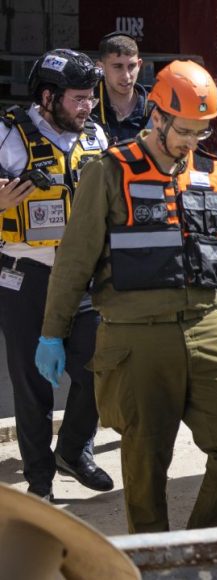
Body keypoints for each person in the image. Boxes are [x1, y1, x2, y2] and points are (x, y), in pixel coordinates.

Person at [38, 60, 217, 533]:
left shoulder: (211, 175)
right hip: (136, 338)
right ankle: (152, 560)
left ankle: (198, 548)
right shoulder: (108, 173)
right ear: (156, 116)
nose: (192, 143)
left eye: (201, 133)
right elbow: (73, 263)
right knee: (146, 462)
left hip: (207, 330)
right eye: (185, 132)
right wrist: (53, 333)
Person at [1, 48, 112, 501]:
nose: (87, 107)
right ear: (48, 97)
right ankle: (39, 482)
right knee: (31, 388)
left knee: (102, 369)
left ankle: (72, 449)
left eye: (90, 98)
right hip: (25, 275)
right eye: (78, 99)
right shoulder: (8, 134)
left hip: (83, 280)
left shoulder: (97, 138)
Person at [93, 32, 148, 144]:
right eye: (118, 67)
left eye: (131, 66)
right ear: (100, 67)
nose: (126, 76)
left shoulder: (156, 108)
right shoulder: (87, 107)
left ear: (139, 65)